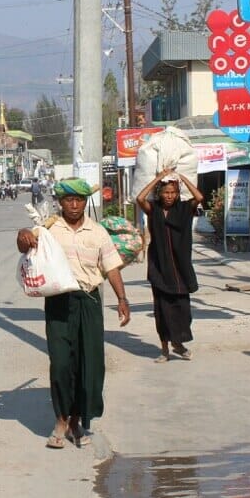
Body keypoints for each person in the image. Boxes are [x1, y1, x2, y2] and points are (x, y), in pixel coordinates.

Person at [17, 178, 131, 450]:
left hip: (89, 302)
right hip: (59, 303)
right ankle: (60, 420)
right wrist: (23, 234)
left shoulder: (97, 232)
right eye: (68, 199)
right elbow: (27, 244)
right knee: (60, 364)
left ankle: (77, 420)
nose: (74, 204)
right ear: (60, 202)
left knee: (88, 364)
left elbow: (111, 267)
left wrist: (122, 299)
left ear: (85, 202)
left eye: (79, 199)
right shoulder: (49, 229)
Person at [136, 168, 203, 362]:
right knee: (162, 310)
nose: (169, 196)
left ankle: (178, 344)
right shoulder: (154, 209)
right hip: (159, 267)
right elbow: (140, 199)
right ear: (159, 193)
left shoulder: (183, 209)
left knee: (182, 310)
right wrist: (158, 177)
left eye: (173, 192)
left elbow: (198, 196)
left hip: (180, 269)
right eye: (166, 192)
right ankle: (165, 349)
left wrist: (182, 178)